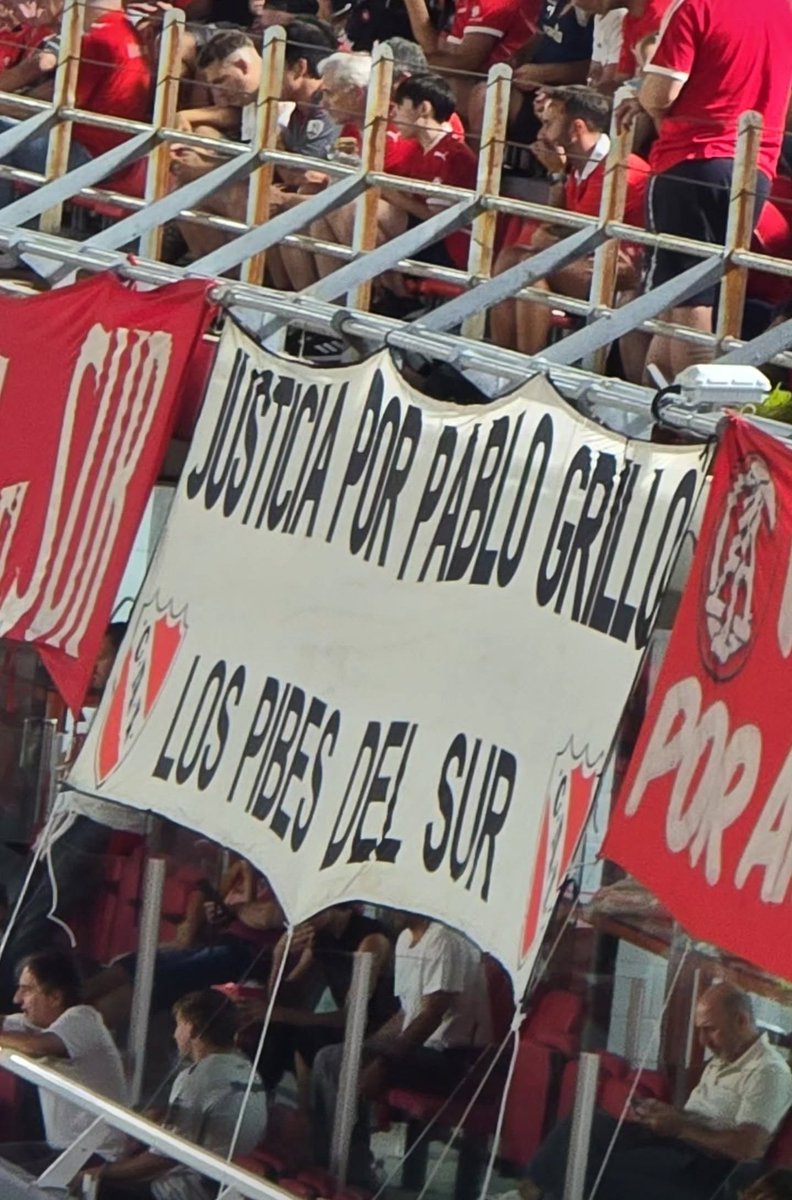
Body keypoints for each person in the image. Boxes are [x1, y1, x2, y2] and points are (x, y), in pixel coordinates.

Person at [623, 0, 792, 379]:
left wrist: (641, 94)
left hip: (693, 158)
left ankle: (696, 416)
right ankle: (666, 411)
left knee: (687, 300)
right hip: (756, 165)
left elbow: (661, 95)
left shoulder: (696, 6)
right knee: (684, 297)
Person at [508, 983, 792, 1200]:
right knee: (584, 1124)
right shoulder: (722, 1059)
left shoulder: (768, 1072)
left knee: (596, 1166)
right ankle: (529, 1190)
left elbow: (748, 1148)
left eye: (710, 1030)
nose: (704, 1041)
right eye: (700, 1031)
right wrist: (667, 1114)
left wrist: (679, 1128)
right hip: (680, 1144)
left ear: (741, 1021)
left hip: (706, 1170)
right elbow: (704, 1117)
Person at [312, 914, 492, 1188]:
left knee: (343, 1060)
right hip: (422, 1053)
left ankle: (354, 1177)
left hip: (456, 1060)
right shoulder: (406, 940)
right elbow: (405, 1013)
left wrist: (382, 1061)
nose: (386, 911)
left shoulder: (442, 939)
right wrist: (367, 1047)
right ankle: (330, 1165)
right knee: (330, 1057)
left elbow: (432, 1014)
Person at [490, 86, 648, 359]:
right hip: (590, 261)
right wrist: (556, 175)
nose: (540, 135)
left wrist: (547, 238)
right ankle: (504, 363)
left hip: (624, 273)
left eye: (549, 124)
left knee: (530, 268)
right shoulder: (577, 166)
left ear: (576, 129)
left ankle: (526, 367)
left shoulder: (618, 168)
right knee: (511, 256)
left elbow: (574, 235)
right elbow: (557, 229)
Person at [83, 988, 267, 1199]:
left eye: (178, 1025)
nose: (174, 1033)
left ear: (191, 1029)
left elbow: (162, 1159)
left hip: (184, 1191)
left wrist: (98, 1173)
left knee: (90, 1184)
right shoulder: (248, 1071)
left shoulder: (198, 1076)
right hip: (225, 1185)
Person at [241, 903, 395, 1108]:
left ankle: (306, 1119)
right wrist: (280, 958)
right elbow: (282, 999)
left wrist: (279, 1014)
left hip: (377, 1028)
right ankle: (254, 1103)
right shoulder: (320, 937)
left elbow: (352, 1016)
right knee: (269, 1029)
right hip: (342, 1024)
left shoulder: (370, 940)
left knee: (301, 1037)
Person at [0, 0, 152, 207]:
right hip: (116, 154)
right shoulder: (124, 30)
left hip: (89, 156)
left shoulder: (98, 37)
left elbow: (52, 105)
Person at [0, 949, 127, 1174]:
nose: (17, 999)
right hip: (60, 1148)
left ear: (56, 997)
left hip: (95, 1155)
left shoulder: (83, 1018)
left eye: (27, 990)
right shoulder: (38, 1025)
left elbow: (36, 1047)